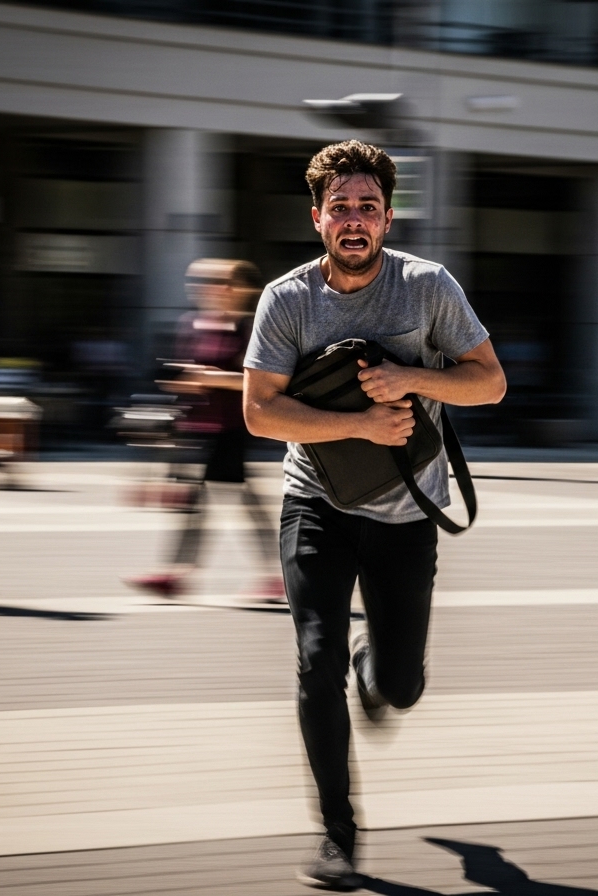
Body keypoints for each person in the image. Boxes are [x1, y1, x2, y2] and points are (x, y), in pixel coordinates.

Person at [243, 141, 506, 889]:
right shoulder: (287, 298)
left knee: (401, 686)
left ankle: (376, 670)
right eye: (340, 208)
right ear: (316, 217)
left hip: (405, 512)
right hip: (315, 504)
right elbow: (260, 414)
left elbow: (488, 384)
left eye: (367, 207)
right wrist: (362, 423)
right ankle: (338, 834)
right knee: (311, 658)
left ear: (388, 216)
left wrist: (409, 378)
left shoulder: (427, 287)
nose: (353, 221)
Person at [124, 258, 283, 602]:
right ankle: (269, 575)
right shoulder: (192, 324)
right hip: (197, 427)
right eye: (204, 281)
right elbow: (183, 372)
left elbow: (261, 380)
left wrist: (211, 378)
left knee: (216, 502)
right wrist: (183, 382)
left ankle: (179, 574)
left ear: (241, 290)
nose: (210, 288)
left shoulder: (250, 327)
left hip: (232, 427)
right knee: (224, 501)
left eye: (220, 282)